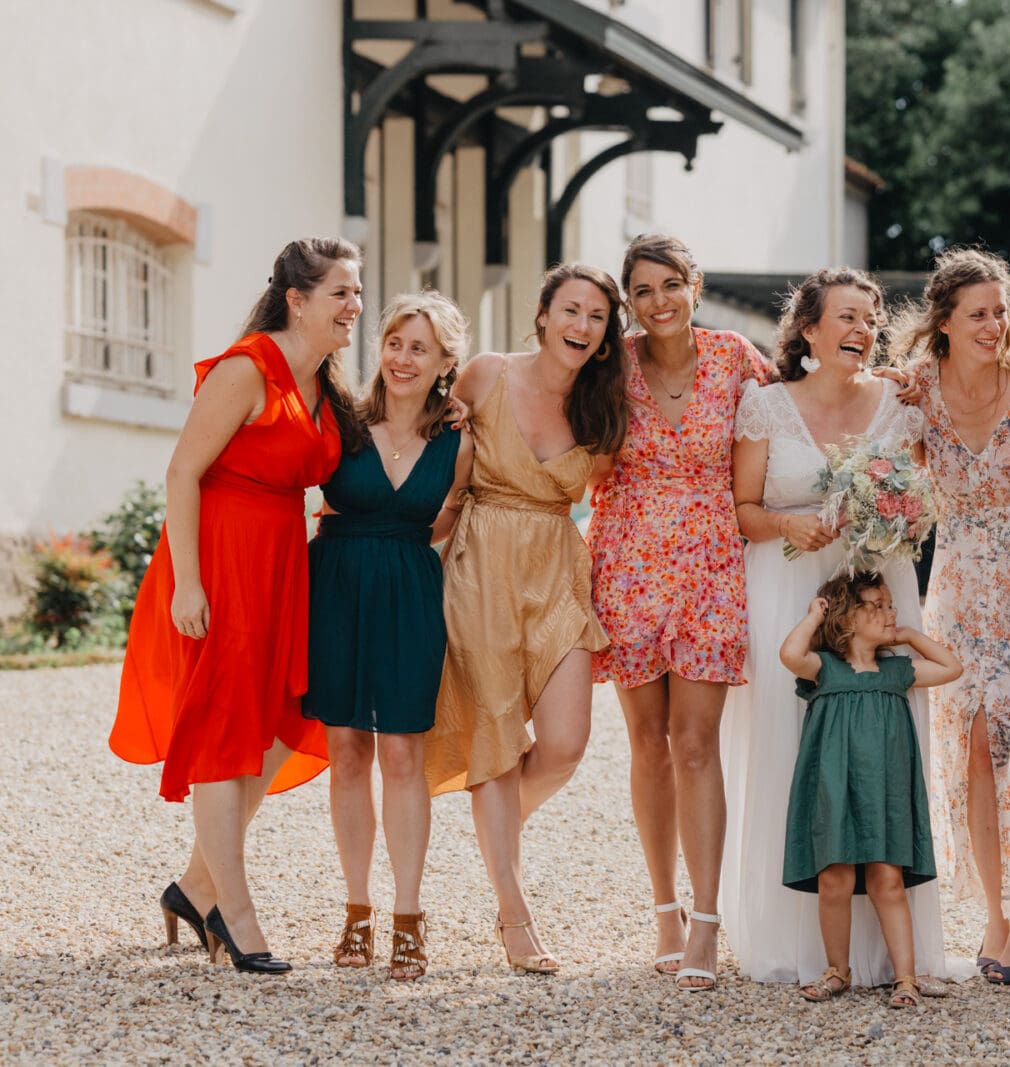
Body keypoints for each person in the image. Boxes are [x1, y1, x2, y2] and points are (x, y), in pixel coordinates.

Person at [111, 237, 363, 973]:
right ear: (299, 299)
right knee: (226, 730)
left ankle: (194, 885)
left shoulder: (322, 380)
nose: (354, 306)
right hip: (220, 561)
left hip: (282, 562)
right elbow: (182, 472)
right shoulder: (247, 367)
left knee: (286, 717)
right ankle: (234, 912)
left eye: (356, 292)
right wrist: (189, 583)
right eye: (341, 293)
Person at [726, 267, 965, 988]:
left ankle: (889, 949)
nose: (862, 330)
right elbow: (742, 508)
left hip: (875, 586)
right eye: (847, 317)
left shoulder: (899, 402)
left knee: (881, 752)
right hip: (790, 588)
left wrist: (894, 513)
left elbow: (924, 493)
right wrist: (790, 522)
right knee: (788, 750)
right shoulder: (765, 406)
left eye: (871, 319)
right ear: (808, 329)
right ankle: (801, 942)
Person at [422, 262, 627, 975]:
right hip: (481, 565)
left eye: (596, 317)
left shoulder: (606, 407)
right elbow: (418, 429)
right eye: (570, 309)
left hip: (558, 568)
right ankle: (512, 906)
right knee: (498, 740)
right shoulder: (485, 375)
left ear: (606, 336)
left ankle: (496, 835)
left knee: (566, 744)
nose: (581, 325)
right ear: (542, 315)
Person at [585, 235, 773, 989]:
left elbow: (796, 405)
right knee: (646, 741)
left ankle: (704, 919)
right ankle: (661, 905)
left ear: (695, 286)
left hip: (709, 562)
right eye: (643, 290)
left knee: (696, 741)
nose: (659, 301)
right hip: (627, 559)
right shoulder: (612, 363)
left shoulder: (735, 356)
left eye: (671, 285)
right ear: (630, 301)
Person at [888, 248, 1010, 985]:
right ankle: (994, 910)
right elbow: (872, 449)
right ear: (945, 323)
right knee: (970, 748)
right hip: (957, 580)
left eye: (1002, 310)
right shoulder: (915, 388)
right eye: (979, 313)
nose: (995, 324)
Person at [304, 291, 474, 981]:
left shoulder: (459, 439)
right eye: (396, 342)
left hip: (409, 591)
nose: (403, 358)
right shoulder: (340, 418)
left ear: (444, 363)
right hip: (336, 586)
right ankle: (356, 908)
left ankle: (409, 917)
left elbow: (449, 519)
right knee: (346, 750)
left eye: (420, 348)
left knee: (402, 753)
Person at [779, 573, 963, 1010]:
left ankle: (906, 978)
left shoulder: (897, 670)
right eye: (876, 605)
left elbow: (952, 668)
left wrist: (909, 634)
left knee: (888, 879)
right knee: (834, 878)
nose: (889, 612)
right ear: (845, 616)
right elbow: (789, 654)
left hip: (886, 791)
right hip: (833, 787)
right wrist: (813, 616)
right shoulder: (825, 668)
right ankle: (837, 970)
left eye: (890, 604)